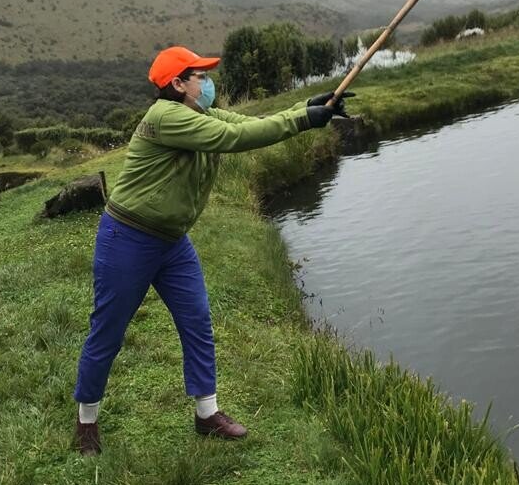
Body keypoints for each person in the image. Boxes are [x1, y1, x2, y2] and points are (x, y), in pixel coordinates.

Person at [73, 45, 351, 455]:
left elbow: (248, 121)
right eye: (199, 76)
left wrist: (307, 105)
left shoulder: (198, 114)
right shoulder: (166, 117)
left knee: (197, 320)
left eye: (205, 75)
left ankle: (207, 414)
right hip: (129, 238)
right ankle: (86, 423)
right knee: (108, 332)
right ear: (178, 84)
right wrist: (304, 121)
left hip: (171, 240)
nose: (206, 82)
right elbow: (234, 137)